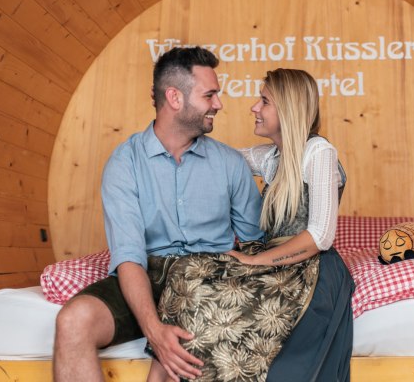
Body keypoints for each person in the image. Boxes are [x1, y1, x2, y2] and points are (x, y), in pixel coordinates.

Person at [53, 46, 265, 382]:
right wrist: (154, 331)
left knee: (182, 342)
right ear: (175, 98)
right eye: (209, 94)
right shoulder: (125, 163)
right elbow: (129, 257)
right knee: (72, 320)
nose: (218, 104)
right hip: (145, 278)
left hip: (208, 279)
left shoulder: (230, 164)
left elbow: (256, 245)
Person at [153, 68, 355, 381]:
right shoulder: (271, 157)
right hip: (275, 264)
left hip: (311, 269)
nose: (254, 108)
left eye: (264, 101)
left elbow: (320, 236)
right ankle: (171, 367)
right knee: (187, 271)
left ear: (287, 110)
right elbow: (217, 157)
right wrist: (180, 128)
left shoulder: (318, 153)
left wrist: (253, 261)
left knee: (214, 301)